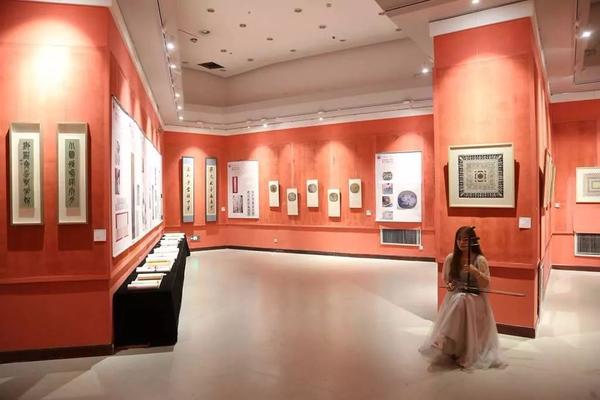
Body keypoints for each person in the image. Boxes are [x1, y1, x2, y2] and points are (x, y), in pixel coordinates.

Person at [419, 226, 504, 369]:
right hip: (457, 296)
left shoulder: (479, 260)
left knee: (462, 299)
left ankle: (444, 338)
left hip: (475, 298)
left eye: (465, 240)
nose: (461, 243)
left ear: (473, 241)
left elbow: (486, 284)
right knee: (460, 299)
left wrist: (475, 272)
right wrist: (450, 285)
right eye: (459, 239)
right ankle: (449, 343)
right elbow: (447, 280)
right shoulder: (451, 258)